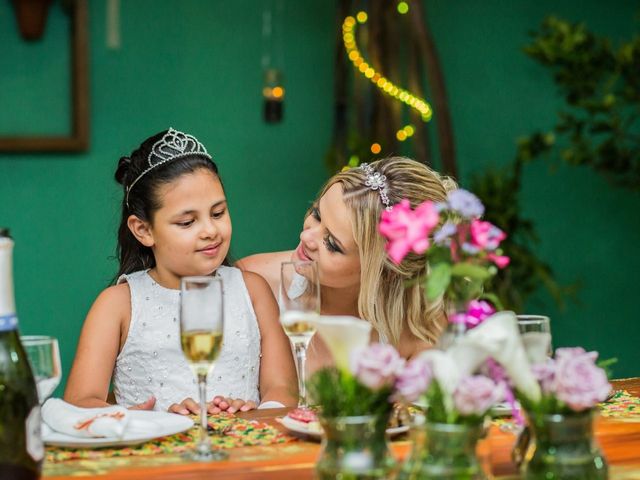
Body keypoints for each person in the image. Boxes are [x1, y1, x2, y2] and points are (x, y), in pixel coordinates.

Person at [64, 128, 297, 414]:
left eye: (218, 213)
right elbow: (79, 402)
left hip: (242, 451)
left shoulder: (252, 291)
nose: (210, 231)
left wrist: (252, 414)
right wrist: (146, 419)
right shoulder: (118, 305)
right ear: (144, 230)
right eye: (187, 222)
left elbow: (283, 388)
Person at [237, 157, 456, 373]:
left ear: (385, 272)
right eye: (316, 214)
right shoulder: (250, 282)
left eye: (332, 244)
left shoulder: (420, 329)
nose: (306, 236)